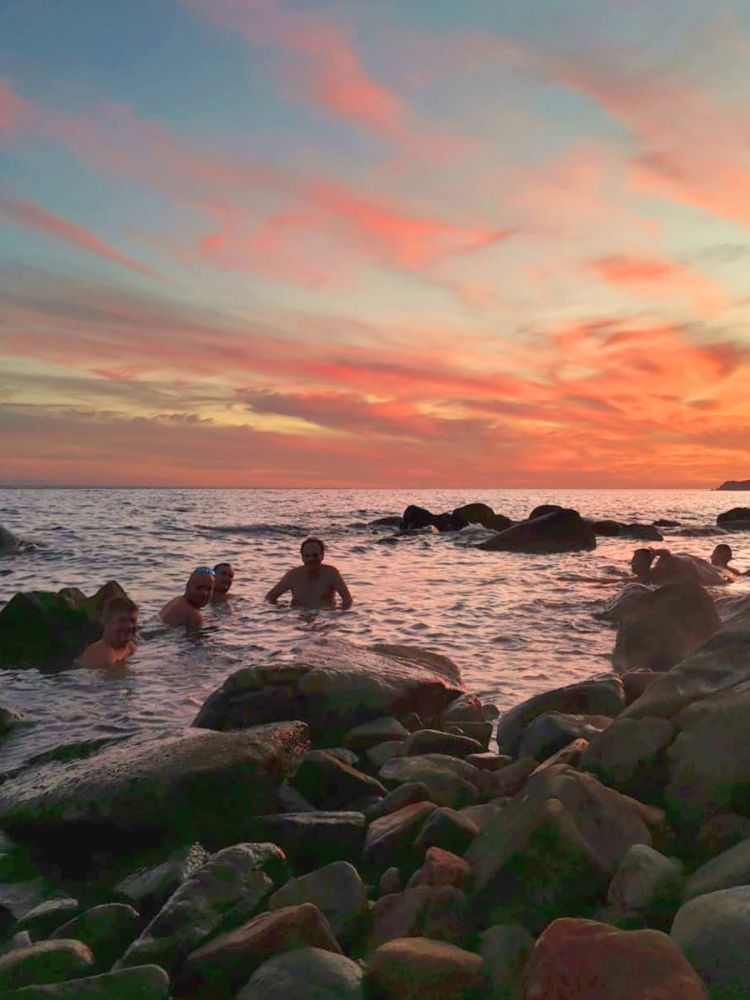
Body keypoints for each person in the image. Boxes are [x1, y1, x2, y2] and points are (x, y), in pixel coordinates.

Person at [265, 537, 353, 609]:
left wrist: (339, 615)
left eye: (315, 555)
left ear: (322, 555)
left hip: (324, 619)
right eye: (307, 556)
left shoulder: (331, 573)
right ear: (302, 558)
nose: (311, 559)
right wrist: (283, 611)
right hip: (299, 618)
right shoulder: (293, 575)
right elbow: (270, 598)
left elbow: (347, 600)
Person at [78, 596, 139, 669]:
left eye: (132, 620)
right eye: (122, 620)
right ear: (106, 622)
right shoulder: (103, 654)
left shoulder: (130, 647)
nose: (129, 625)